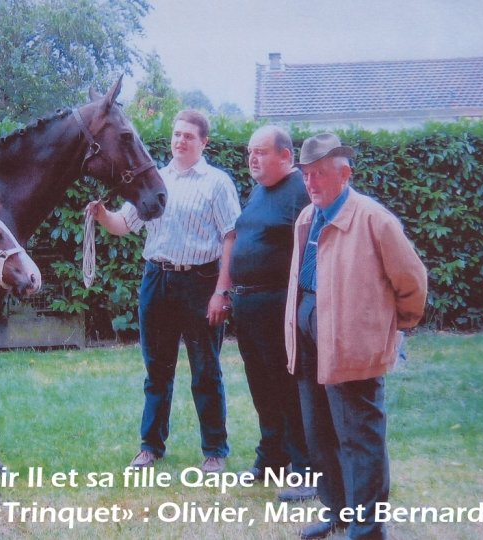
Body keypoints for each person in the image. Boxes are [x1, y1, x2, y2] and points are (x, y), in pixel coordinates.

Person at [284, 133, 428, 540]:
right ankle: (338, 513)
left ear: (344, 174)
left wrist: (393, 326)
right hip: (308, 332)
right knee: (319, 432)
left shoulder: (373, 219)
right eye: (306, 175)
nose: (310, 182)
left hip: (352, 342)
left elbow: (412, 280)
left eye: (319, 174)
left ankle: (367, 529)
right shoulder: (307, 216)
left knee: (359, 437)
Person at [87, 109, 241, 473]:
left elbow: (231, 237)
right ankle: (150, 447)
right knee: (156, 370)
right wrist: (102, 215)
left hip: (201, 282)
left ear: (204, 142)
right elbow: (124, 224)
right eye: (176, 134)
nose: (180, 141)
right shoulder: (155, 179)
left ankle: (215, 451)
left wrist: (221, 291)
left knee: (206, 370)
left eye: (189, 136)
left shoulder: (218, 183)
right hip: (157, 280)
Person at [229, 126, 315, 501]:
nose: (252, 158)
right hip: (248, 306)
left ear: (286, 156)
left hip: (280, 305)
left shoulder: (300, 190)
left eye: (261, 152)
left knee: (288, 387)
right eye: (250, 151)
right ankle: (272, 457)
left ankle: (306, 467)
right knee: (261, 386)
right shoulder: (259, 191)